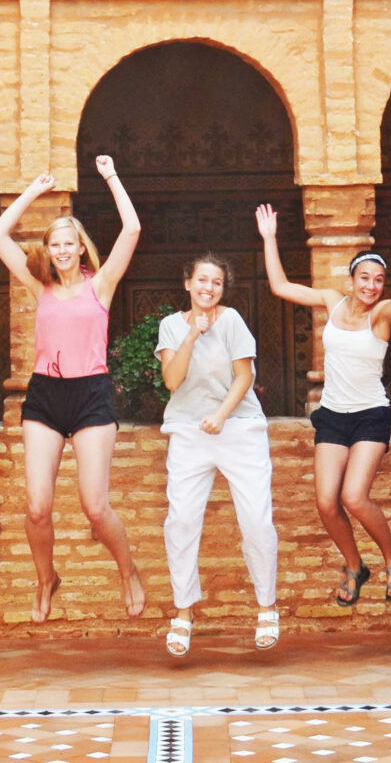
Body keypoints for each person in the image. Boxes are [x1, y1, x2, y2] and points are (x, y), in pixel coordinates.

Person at [256, 203, 391, 606]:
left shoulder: (381, 315)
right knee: (326, 501)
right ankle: (355, 566)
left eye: (379, 280)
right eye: (365, 278)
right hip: (333, 416)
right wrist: (269, 238)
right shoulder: (331, 301)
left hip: (371, 414)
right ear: (352, 279)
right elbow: (281, 287)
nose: (372, 286)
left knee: (353, 497)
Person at [0, 161, 146, 624]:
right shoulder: (40, 287)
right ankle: (46, 579)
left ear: (80, 248)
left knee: (94, 507)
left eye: (67, 243)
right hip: (45, 397)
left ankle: (128, 571)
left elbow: (132, 229)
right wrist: (31, 192)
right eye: (53, 244)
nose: (60, 251)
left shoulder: (102, 285)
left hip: (91, 395)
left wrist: (112, 177)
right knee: (37, 507)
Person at [155, 254, 278, 655]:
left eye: (217, 282)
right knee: (180, 522)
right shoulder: (171, 326)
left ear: (223, 289)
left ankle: (267, 607)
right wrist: (192, 334)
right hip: (188, 432)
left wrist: (221, 415)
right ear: (188, 283)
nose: (209, 288)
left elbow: (244, 376)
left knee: (256, 520)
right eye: (202, 280)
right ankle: (184, 612)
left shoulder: (232, 321)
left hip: (238, 428)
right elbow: (172, 380)